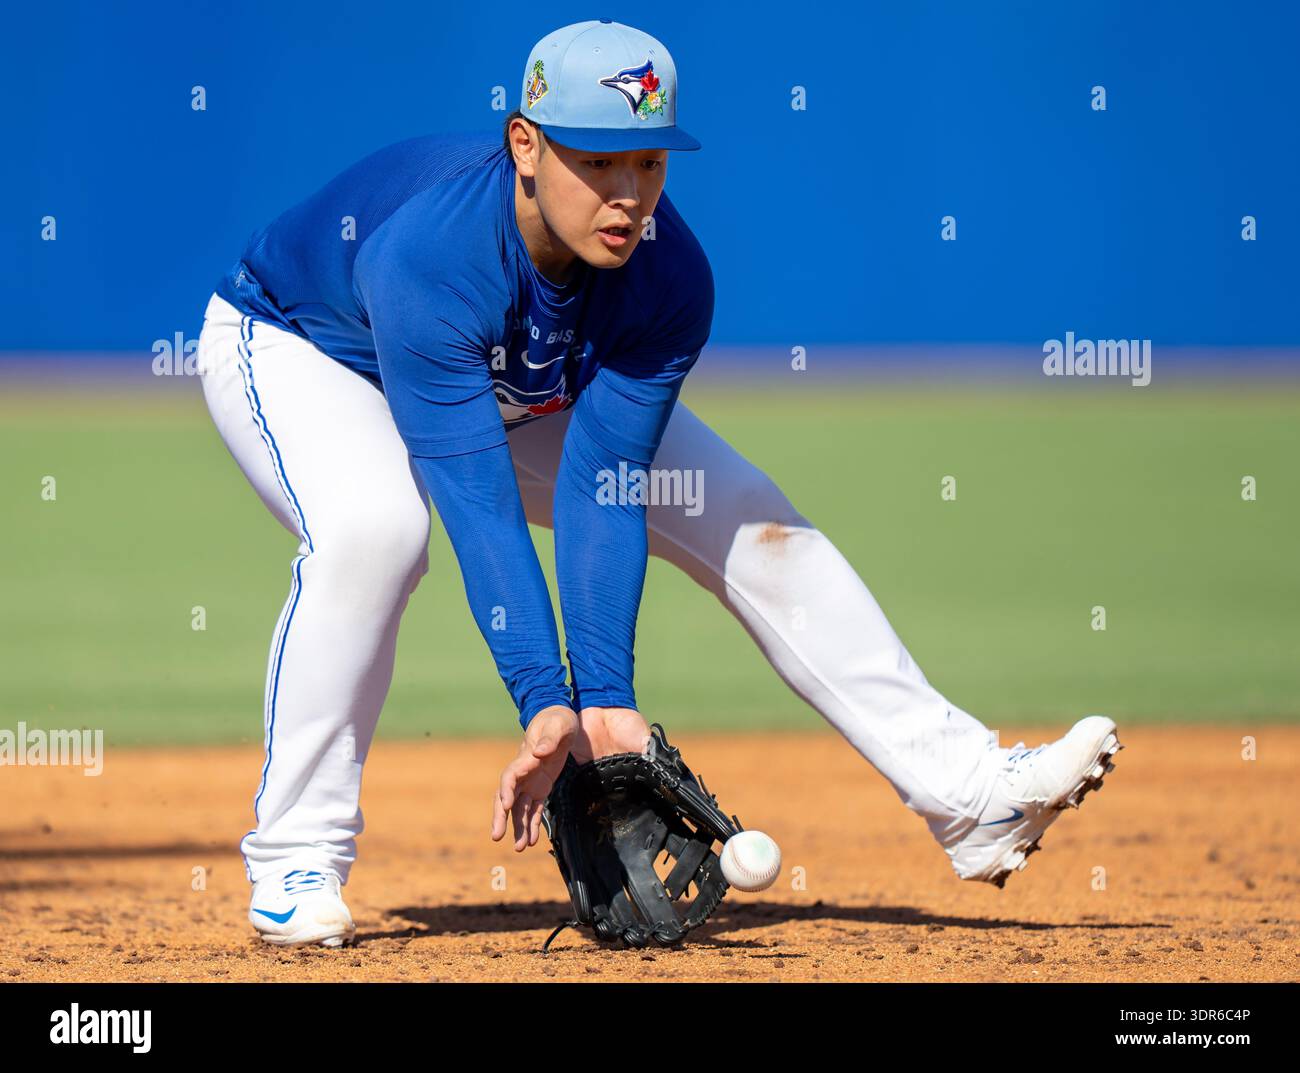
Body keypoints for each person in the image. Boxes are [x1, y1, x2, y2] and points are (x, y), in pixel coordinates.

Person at [195, 19, 1121, 948]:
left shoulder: (668, 278)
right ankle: (295, 860)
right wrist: (540, 699)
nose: (628, 196)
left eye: (647, 162)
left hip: (510, 382)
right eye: (598, 162)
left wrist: (604, 703)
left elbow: (603, 487)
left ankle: (972, 795)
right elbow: (477, 505)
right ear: (525, 144)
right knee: (377, 532)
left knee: (748, 516)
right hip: (306, 351)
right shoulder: (430, 258)